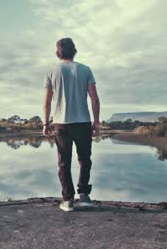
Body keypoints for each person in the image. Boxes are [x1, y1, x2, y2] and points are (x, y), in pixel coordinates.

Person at [42, 37, 100, 212]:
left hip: (61, 124)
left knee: (64, 163)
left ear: (58, 52)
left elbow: (47, 102)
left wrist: (46, 123)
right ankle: (83, 195)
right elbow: (94, 99)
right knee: (85, 160)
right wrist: (96, 122)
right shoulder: (85, 69)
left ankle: (68, 200)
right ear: (74, 51)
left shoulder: (52, 70)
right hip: (83, 122)